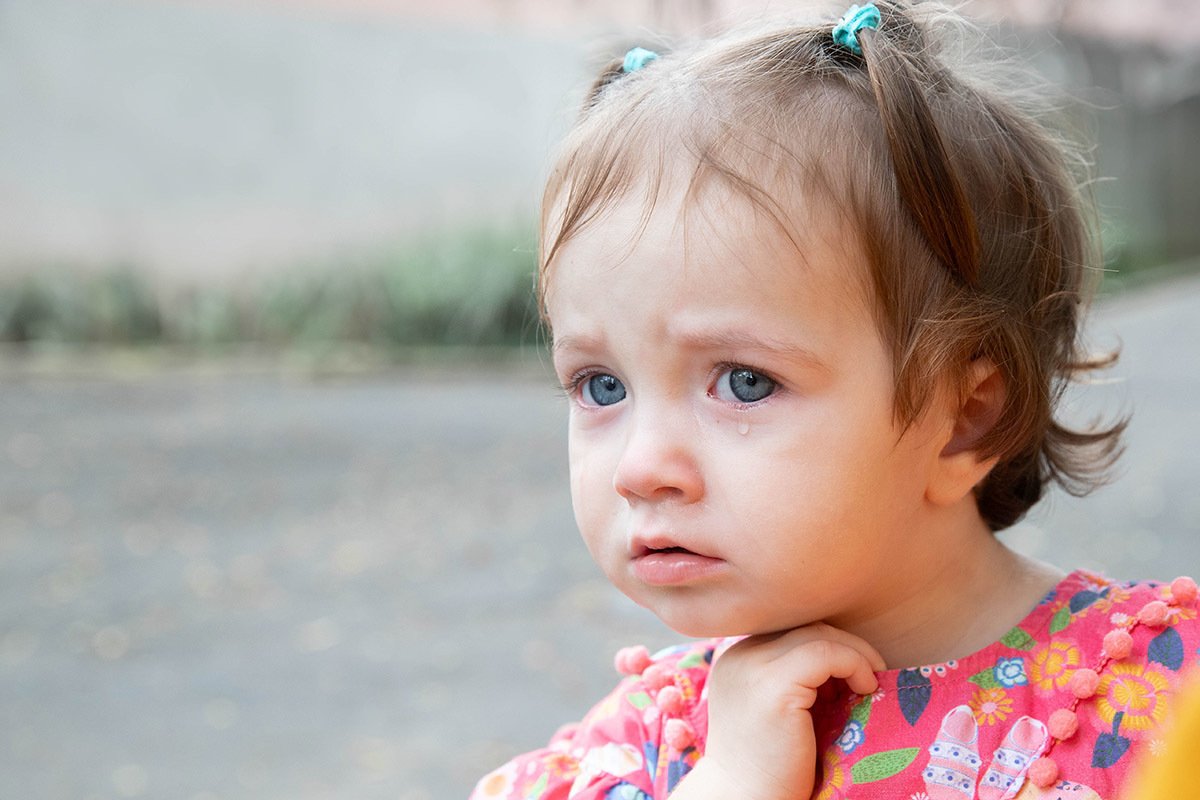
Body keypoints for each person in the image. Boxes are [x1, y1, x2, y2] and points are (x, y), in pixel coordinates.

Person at [470, 2, 1200, 798]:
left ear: (962, 420)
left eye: (744, 383)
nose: (641, 468)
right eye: (600, 386)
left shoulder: (1158, 698)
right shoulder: (661, 741)